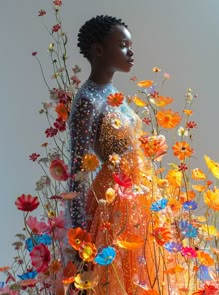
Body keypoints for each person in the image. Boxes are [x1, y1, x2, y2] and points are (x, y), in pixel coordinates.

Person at [67, 15, 175, 295]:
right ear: (99, 49)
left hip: (138, 196)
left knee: (144, 274)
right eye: (123, 45)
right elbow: (76, 171)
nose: (131, 52)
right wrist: (80, 240)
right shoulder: (87, 101)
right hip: (114, 200)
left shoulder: (112, 92)